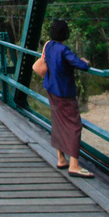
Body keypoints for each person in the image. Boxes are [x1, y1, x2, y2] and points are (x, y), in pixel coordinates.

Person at [42, 18, 93, 177]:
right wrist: (85, 62)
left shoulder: (49, 46)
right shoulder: (64, 50)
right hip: (64, 92)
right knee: (74, 125)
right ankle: (74, 165)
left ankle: (61, 158)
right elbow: (81, 65)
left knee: (58, 122)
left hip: (51, 89)